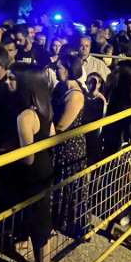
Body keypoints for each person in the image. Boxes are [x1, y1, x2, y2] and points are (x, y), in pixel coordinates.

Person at [4, 65, 55, 262]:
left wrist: (9, 152)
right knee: (42, 218)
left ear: (25, 83)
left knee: (36, 221)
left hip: (32, 174)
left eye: (12, 78)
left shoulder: (25, 116)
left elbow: (28, 158)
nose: (7, 82)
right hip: (45, 168)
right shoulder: (45, 107)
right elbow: (52, 135)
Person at [51, 56, 89, 237]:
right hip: (61, 144)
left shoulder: (75, 95)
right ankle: (58, 219)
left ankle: (70, 223)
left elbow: (62, 125)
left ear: (68, 69)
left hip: (70, 146)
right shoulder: (61, 87)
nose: (56, 70)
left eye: (59, 67)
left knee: (69, 184)